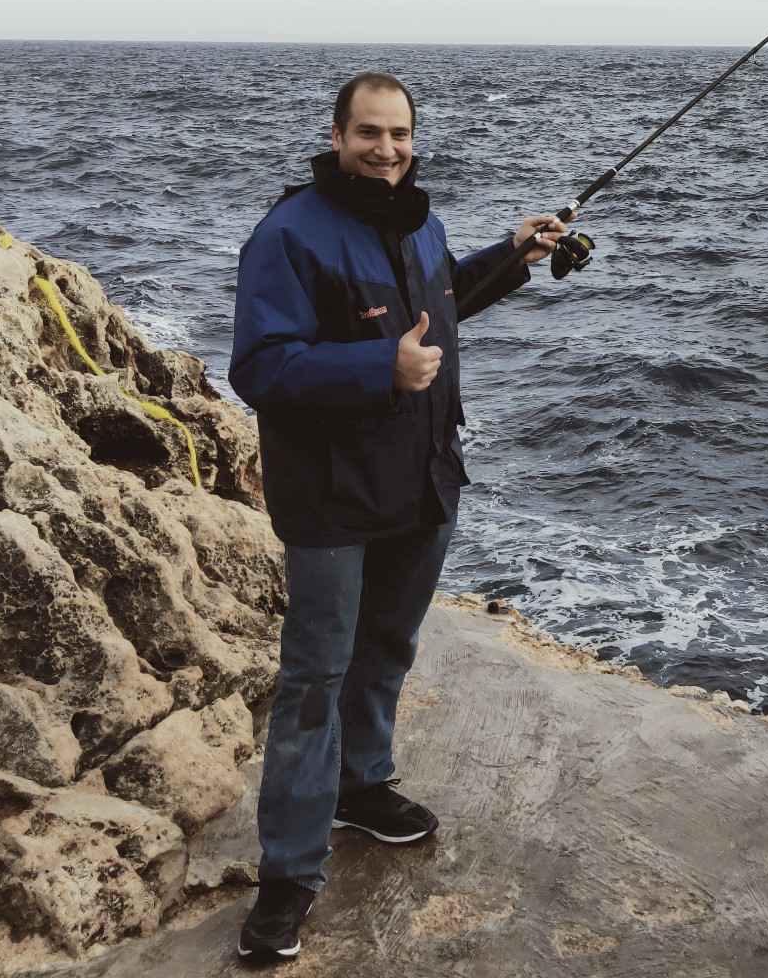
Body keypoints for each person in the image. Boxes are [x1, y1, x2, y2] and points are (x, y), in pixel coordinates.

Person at [227, 71, 565, 963]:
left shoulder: (421, 220)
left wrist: (513, 255)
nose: (387, 149)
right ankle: (287, 877)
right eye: (369, 133)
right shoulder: (288, 234)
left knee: (387, 651)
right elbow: (259, 367)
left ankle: (362, 785)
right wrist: (380, 368)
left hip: (422, 480)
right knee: (312, 681)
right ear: (336, 135)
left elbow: (437, 299)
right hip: (333, 496)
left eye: (401, 133)